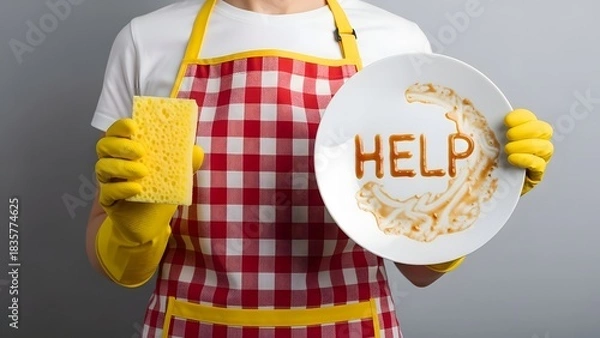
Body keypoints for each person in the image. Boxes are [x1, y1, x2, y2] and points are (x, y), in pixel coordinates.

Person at [85, 0, 554, 337]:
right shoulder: (147, 41)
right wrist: (134, 228)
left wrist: (482, 196)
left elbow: (421, 271)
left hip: (350, 325)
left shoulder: (395, 42)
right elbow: (120, 270)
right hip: (192, 323)